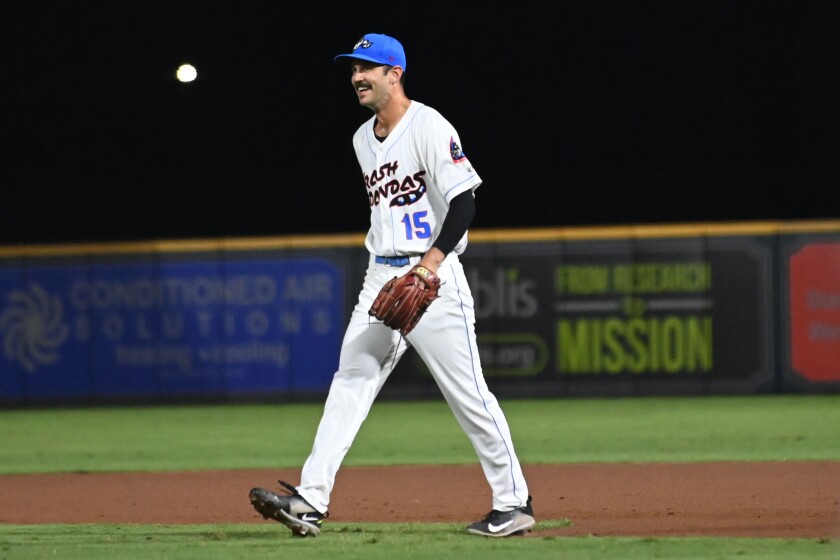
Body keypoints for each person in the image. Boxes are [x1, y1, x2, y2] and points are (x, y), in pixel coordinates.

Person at [249, 32, 534, 538]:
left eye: (366, 67)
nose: (356, 76)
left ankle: (514, 503)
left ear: (394, 74)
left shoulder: (429, 125)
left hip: (432, 276)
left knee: (467, 392)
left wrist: (430, 263)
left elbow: (465, 202)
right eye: (352, 68)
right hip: (380, 274)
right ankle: (310, 500)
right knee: (351, 378)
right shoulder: (362, 139)